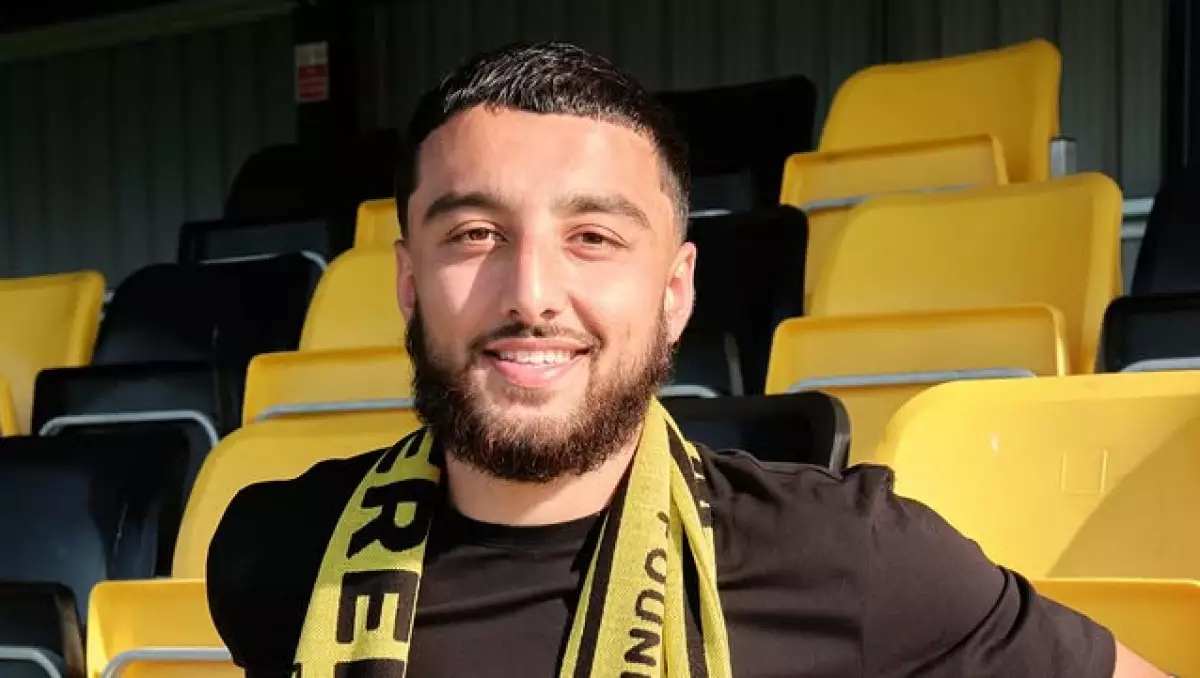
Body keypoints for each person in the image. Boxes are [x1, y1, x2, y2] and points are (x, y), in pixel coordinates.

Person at [206, 42, 1167, 678]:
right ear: (409, 281)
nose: (531, 292)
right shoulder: (276, 553)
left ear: (675, 292)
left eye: (593, 238)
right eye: (474, 235)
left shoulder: (851, 559)